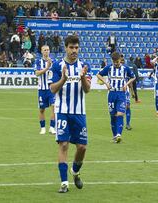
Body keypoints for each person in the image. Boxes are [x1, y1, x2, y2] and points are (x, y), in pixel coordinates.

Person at [49, 35, 92, 193]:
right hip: (62, 111)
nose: (74, 50)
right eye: (71, 47)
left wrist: (82, 78)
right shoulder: (57, 65)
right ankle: (64, 183)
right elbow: (52, 89)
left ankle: (74, 171)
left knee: (82, 147)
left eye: (76, 47)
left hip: (79, 112)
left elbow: (87, 90)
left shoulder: (84, 65)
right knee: (64, 144)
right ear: (65, 48)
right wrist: (63, 79)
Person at [96, 52, 136, 143]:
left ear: (120, 60)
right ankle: (115, 136)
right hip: (111, 94)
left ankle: (119, 134)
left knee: (120, 114)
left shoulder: (125, 68)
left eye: (117, 61)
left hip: (121, 94)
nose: (116, 63)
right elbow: (98, 74)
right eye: (114, 61)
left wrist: (126, 84)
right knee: (113, 116)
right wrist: (106, 83)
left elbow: (133, 77)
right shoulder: (109, 68)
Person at [34, 45, 55, 135]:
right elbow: (37, 73)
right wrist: (47, 68)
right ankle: (42, 128)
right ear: (42, 52)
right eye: (45, 50)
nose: (46, 51)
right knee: (42, 110)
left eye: (48, 50)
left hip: (51, 89)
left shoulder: (54, 61)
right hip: (42, 89)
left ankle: (52, 127)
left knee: (54, 107)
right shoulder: (38, 61)